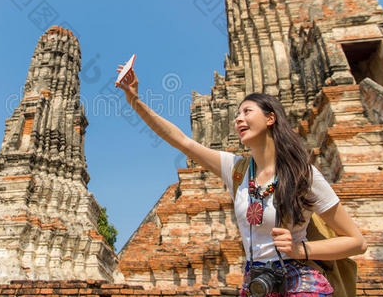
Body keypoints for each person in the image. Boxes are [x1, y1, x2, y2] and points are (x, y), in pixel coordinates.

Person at [115, 66, 367, 296]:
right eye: (236, 114)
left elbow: (357, 242)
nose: (238, 119)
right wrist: (135, 101)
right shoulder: (237, 170)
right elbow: (182, 141)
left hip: (300, 283)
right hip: (256, 281)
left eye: (247, 111)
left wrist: (301, 250)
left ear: (271, 118)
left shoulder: (304, 175)